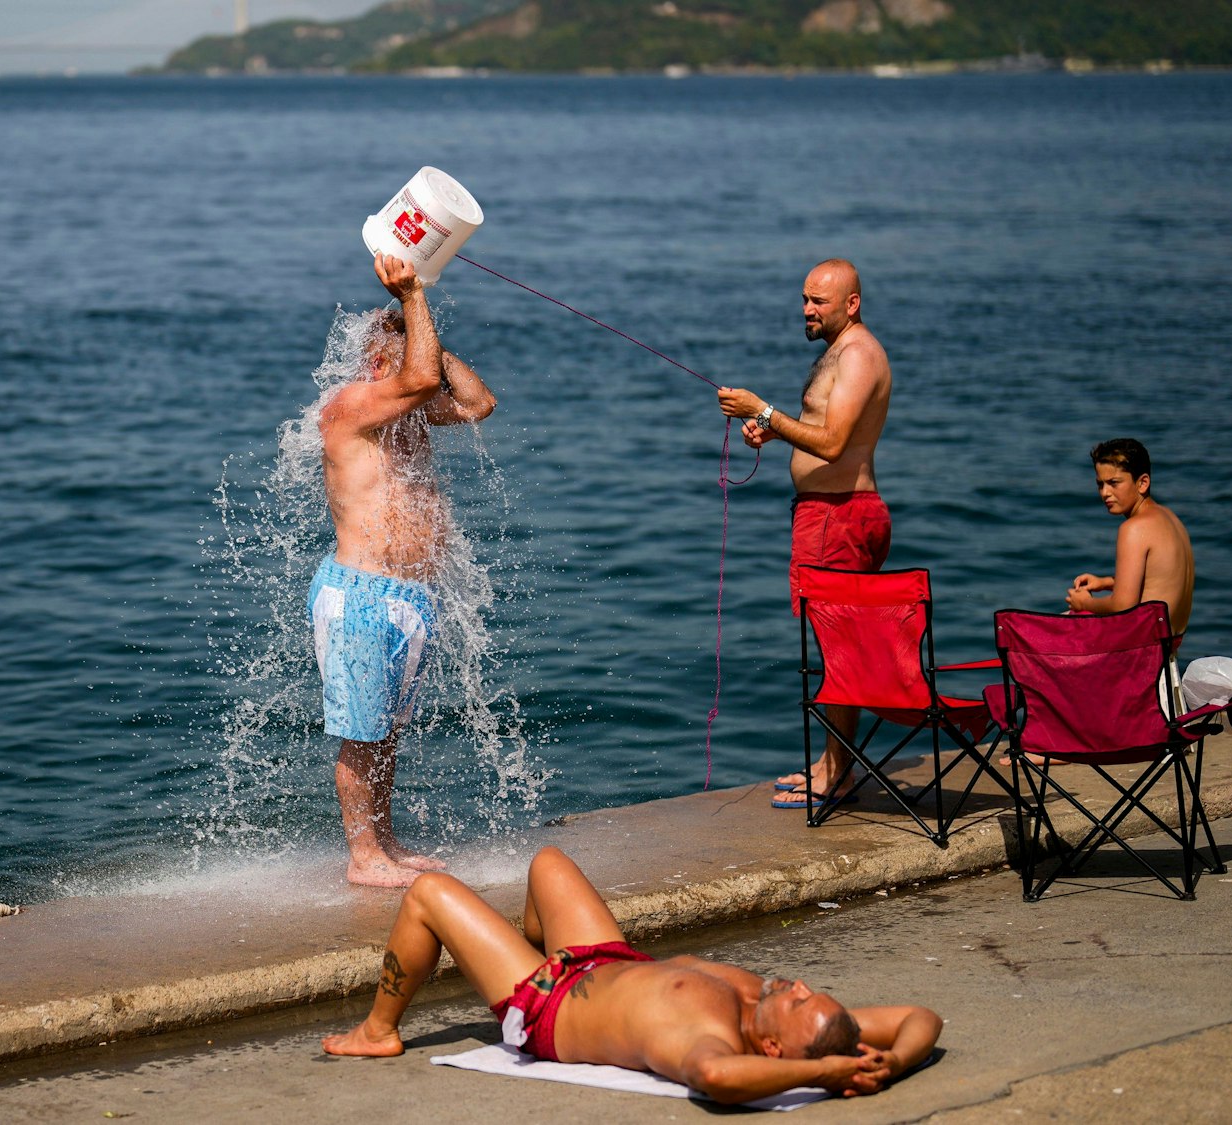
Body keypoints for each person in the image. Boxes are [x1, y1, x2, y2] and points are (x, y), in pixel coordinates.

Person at [323, 847, 943, 1104]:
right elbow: (923, 1019)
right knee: (548, 863)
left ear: (777, 1048)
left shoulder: (717, 1042)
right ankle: (513, 950)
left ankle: (379, 1029)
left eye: (800, 1002)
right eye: (810, 991)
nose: (798, 986)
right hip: (606, 961)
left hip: (551, 1007)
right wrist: (895, 1062)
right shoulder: (774, 1005)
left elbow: (716, 1078)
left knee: (429, 892)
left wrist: (826, 1074)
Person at [310, 252, 497, 887]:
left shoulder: (411, 409)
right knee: (360, 736)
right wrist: (414, 298)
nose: (421, 371)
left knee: (385, 734)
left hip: (407, 597)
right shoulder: (351, 406)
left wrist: (425, 335)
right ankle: (362, 857)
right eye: (401, 356)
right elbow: (418, 381)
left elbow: (478, 402)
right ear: (374, 362)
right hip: (360, 594)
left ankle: (384, 843)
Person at [715, 259, 893, 809]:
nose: (807, 310)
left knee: (839, 645)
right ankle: (830, 761)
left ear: (852, 303)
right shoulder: (838, 353)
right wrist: (772, 433)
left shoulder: (860, 354)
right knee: (831, 643)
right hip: (824, 514)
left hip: (840, 516)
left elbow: (836, 443)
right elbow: (820, 431)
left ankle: (837, 771)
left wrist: (763, 411)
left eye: (818, 301)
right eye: (805, 299)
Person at [1067, 438, 1194, 635]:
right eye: (1100, 484)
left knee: (1058, 627)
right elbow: (1159, 579)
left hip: (1142, 650)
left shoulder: (1134, 528)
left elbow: (1122, 606)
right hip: (1169, 642)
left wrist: (1085, 602)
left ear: (1142, 483)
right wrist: (1106, 582)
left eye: (1113, 483)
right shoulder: (1170, 518)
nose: (1105, 493)